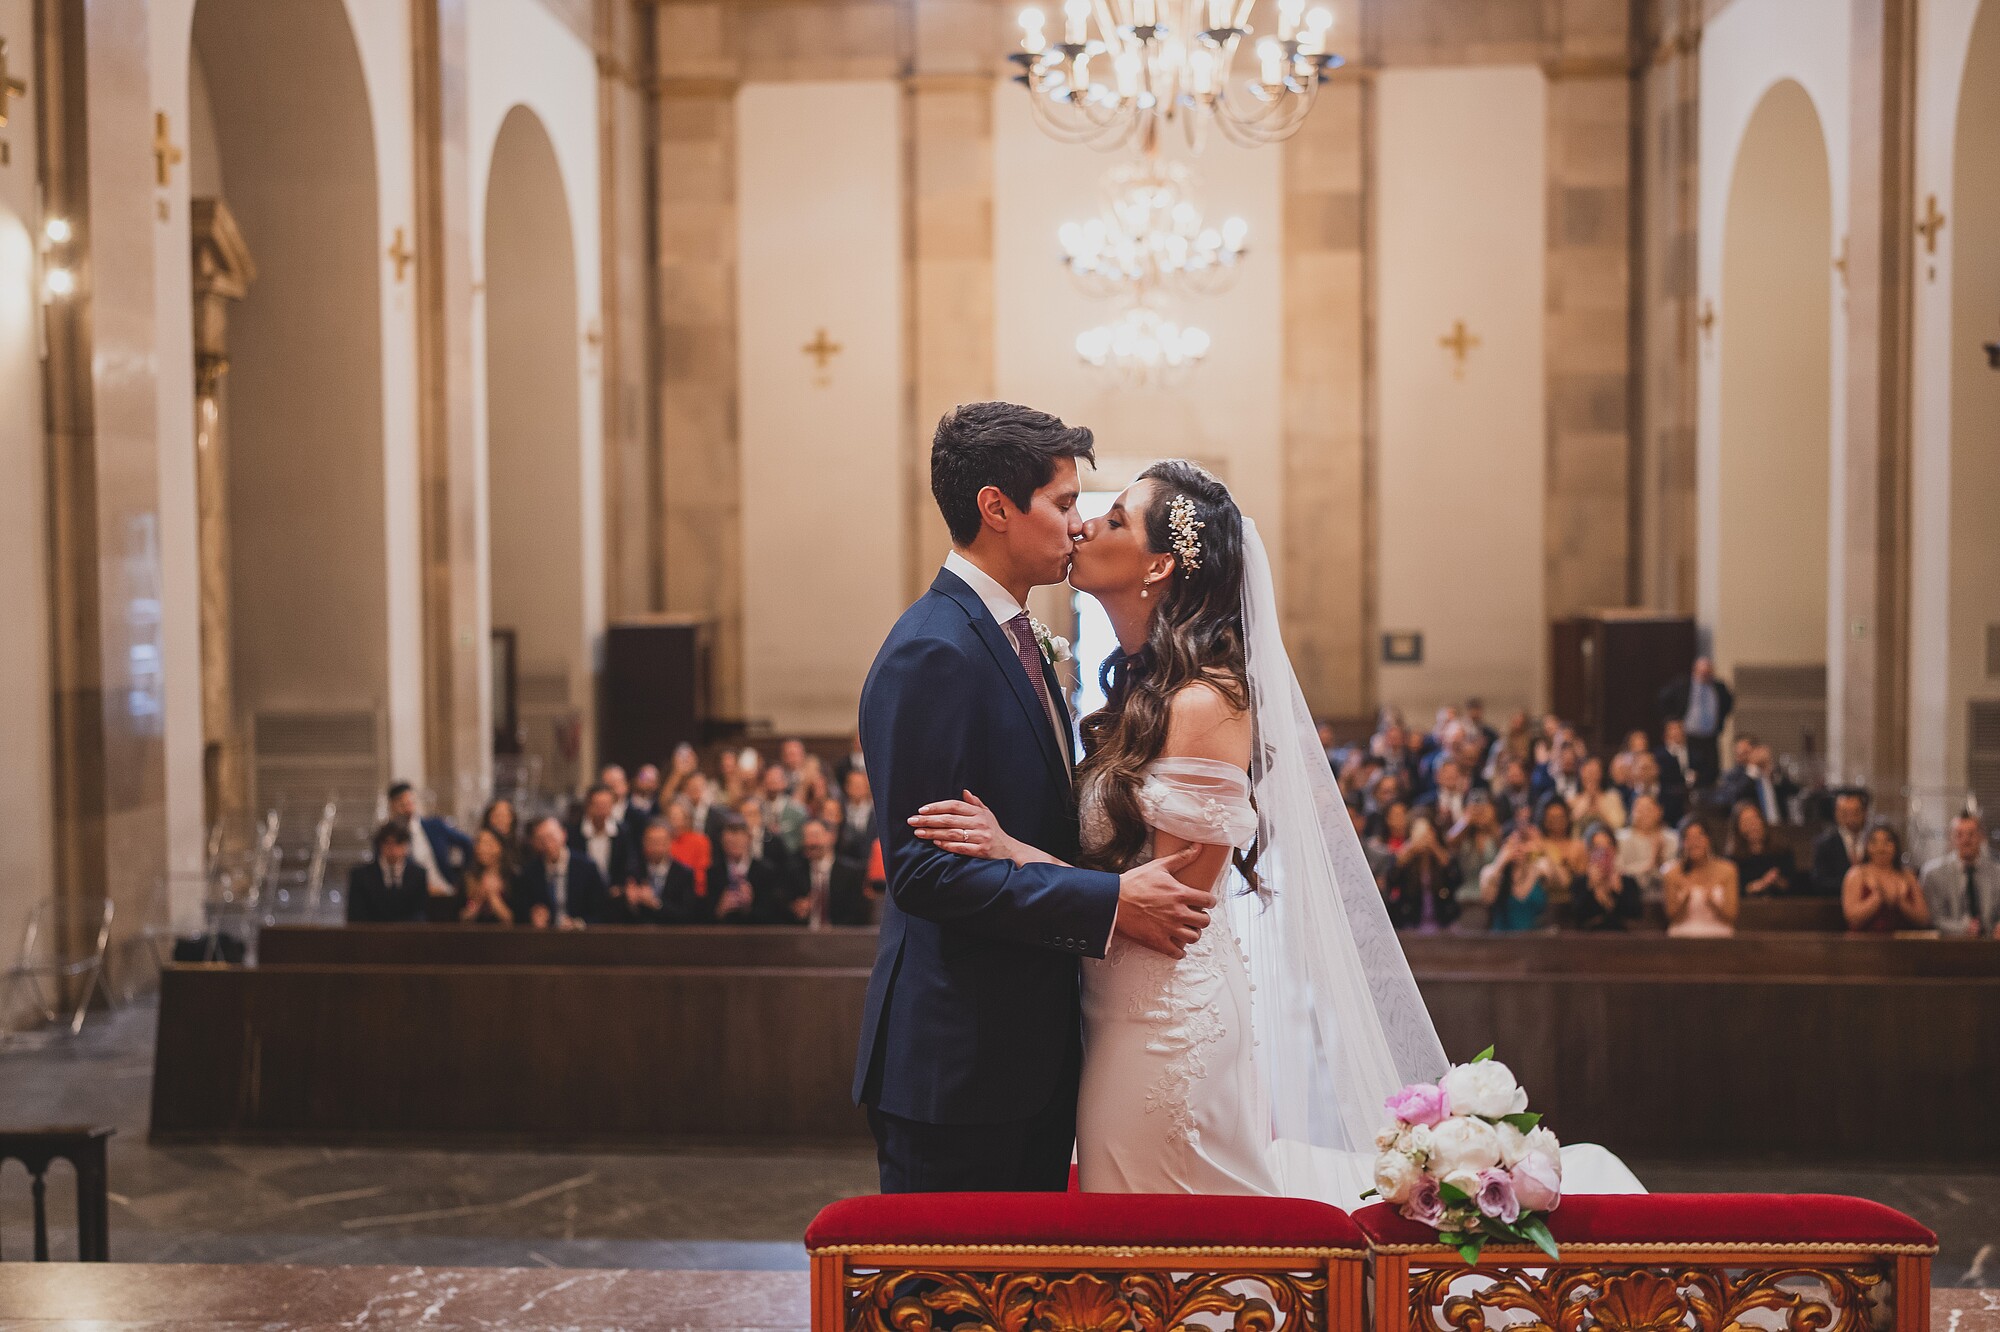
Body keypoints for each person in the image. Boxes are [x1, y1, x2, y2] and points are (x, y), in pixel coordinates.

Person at [910, 458, 1638, 1201]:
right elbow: (1119, 879)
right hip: (1115, 1012)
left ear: (1158, 565)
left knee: (1162, 1244)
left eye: (1115, 518)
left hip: (1163, 1027)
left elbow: (1169, 914)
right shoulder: (1143, 693)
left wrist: (1010, 851)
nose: (1085, 525)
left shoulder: (1203, 704)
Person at [856, 409, 1213, 1196]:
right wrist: (1109, 902)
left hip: (1030, 1058)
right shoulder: (933, 650)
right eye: (1063, 503)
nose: (1078, 524)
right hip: (961, 1069)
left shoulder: (1014, 638)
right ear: (996, 507)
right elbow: (924, 873)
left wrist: (1025, 852)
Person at [515, 815, 611, 928]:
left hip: (580, 935)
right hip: (545, 934)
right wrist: (533, 917)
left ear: (564, 835)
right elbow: (521, 912)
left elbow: (601, 912)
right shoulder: (530, 873)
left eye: (551, 837)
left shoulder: (587, 868)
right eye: (541, 840)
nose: (547, 844)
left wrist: (578, 923)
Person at [1920, 813, 2000, 938]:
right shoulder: (1933, 874)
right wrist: (1962, 929)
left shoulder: (1996, 872)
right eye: (1959, 834)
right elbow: (1932, 918)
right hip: (1949, 944)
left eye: (1971, 834)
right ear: (1951, 838)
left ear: (1981, 837)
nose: (1966, 840)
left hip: (1991, 943)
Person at [1657, 657, 1732, 788]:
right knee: (1689, 769)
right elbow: (1663, 698)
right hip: (1690, 736)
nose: (1704, 676)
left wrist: (1720, 722)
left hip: (1710, 737)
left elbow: (1728, 704)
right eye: (1701, 673)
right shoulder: (1683, 685)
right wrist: (1673, 719)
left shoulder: (1719, 687)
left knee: (1711, 771)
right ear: (1694, 671)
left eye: (1707, 673)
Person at [1841, 822, 1930, 933]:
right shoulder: (1856, 874)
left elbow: (1924, 918)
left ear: (1896, 846)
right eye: (1874, 842)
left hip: (1903, 939)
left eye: (1887, 842)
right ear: (1867, 846)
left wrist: (1902, 903)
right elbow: (1852, 917)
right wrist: (1877, 899)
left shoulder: (1908, 876)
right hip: (1865, 940)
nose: (1881, 848)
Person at [387, 781, 471, 893]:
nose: (406, 807)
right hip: (412, 894)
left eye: (409, 802)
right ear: (392, 806)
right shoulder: (390, 837)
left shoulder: (435, 826)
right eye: (401, 803)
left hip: (446, 890)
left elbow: (467, 843)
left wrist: (463, 879)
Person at [615, 820, 705, 925]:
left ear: (670, 842)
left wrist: (655, 903)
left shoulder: (684, 873)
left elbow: (688, 915)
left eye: (660, 841)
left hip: (671, 931)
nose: (656, 847)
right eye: (651, 841)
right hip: (638, 931)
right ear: (643, 842)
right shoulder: (632, 871)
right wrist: (630, 903)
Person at [1383, 816, 1461, 930]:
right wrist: (1410, 850)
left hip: (1443, 920)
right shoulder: (1403, 859)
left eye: (1427, 833)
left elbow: (1456, 879)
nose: (1423, 839)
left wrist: (1434, 848)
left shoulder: (1443, 857)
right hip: (1410, 920)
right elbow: (1391, 880)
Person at [1664, 817, 1738, 938]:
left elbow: (1731, 917)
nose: (1694, 843)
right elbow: (1671, 918)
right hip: (1682, 935)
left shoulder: (1728, 870)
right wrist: (1685, 900)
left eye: (1699, 837)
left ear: (1708, 839)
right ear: (1682, 843)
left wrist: (1712, 902)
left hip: (1719, 934)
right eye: (1688, 838)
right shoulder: (1671, 872)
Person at [346, 822, 434, 922]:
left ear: (406, 845)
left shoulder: (418, 874)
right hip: (372, 930)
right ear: (380, 845)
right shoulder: (361, 875)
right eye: (387, 843)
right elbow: (356, 914)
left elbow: (421, 913)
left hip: (407, 930)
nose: (393, 849)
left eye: (398, 843)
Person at [1479, 823, 1557, 932]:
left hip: (1536, 938)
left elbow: (1562, 881)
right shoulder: (1490, 871)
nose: (1518, 847)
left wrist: (1543, 849)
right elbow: (1487, 899)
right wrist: (1501, 863)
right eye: (1512, 844)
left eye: (1522, 842)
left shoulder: (1540, 868)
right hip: (1501, 939)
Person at [797, 818, 871, 927]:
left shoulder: (852, 873)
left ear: (832, 837)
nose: (810, 842)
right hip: (802, 935)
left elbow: (859, 914)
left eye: (815, 836)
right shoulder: (794, 872)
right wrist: (797, 909)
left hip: (841, 934)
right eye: (806, 837)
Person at [1571, 825, 1642, 931]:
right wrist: (1591, 887)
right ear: (1589, 851)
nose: (1604, 852)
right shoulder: (1581, 883)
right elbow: (1578, 916)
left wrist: (1618, 891)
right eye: (1597, 847)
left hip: (1622, 938)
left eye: (1608, 846)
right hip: (1588, 939)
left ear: (1615, 849)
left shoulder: (1628, 882)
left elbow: (1635, 915)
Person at [1615, 793, 1679, 902]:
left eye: (1648, 809)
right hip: (1630, 898)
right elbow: (1620, 873)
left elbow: (1675, 875)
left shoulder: (1673, 838)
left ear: (1659, 811)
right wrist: (1650, 864)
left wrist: (1659, 860)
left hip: (1665, 897)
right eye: (1639, 810)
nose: (1644, 814)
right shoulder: (1620, 839)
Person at [1811, 789, 1872, 898]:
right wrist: (1854, 885)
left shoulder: (1874, 840)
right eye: (1845, 813)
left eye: (1855, 812)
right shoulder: (1825, 843)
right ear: (1836, 813)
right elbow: (1820, 882)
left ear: (1865, 813)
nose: (1851, 818)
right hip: (1835, 902)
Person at [1726, 801, 1795, 897]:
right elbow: (1733, 890)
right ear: (1738, 827)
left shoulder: (1782, 852)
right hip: (1748, 904)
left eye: (1755, 819)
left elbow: (1793, 884)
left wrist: (1776, 881)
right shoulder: (1732, 859)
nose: (1753, 825)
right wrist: (1757, 885)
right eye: (1746, 821)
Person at [571, 784, 627, 888]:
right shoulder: (575, 831)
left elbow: (626, 864)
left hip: (612, 890)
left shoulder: (622, 832)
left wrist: (619, 886)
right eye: (598, 805)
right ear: (588, 806)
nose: (602, 810)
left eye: (606, 805)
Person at [457, 828, 515, 925]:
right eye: (479, 843)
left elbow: (512, 919)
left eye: (489, 844)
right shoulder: (467, 877)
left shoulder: (513, 877)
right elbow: (461, 917)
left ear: (501, 847)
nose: (482, 848)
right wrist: (478, 899)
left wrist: (492, 895)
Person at [1567, 755, 1626, 833]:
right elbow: (1569, 824)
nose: (1591, 776)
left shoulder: (1613, 797)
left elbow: (1618, 824)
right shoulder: (1572, 799)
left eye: (1595, 772)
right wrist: (1587, 801)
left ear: (1601, 774)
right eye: (1588, 772)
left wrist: (1599, 807)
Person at [664, 799, 713, 881]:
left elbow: (701, 873)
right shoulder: (664, 841)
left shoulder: (700, 841)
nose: (673, 821)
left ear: (687, 819)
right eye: (670, 817)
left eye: (676, 817)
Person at [837, 768, 877, 866]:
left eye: (860, 785)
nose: (857, 789)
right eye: (854, 785)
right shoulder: (839, 809)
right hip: (844, 862)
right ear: (846, 787)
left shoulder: (876, 812)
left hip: (870, 861)